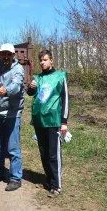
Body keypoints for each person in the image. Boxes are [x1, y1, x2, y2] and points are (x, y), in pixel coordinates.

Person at [26, 49, 69, 198]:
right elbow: (31, 94)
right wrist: (30, 88)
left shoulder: (60, 76)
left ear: (52, 60)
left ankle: (57, 185)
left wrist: (64, 122)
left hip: (53, 121)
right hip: (39, 121)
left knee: (53, 154)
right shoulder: (37, 77)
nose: (43, 62)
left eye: (45, 60)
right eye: (41, 60)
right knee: (43, 153)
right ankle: (49, 181)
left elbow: (65, 99)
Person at [0, 43, 24, 191]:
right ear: (0, 54)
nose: (6, 57)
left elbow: (16, 86)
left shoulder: (18, 69)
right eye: (3, 54)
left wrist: (6, 89)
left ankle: (15, 178)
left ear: (13, 55)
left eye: (9, 54)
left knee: (12, 148)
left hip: (12, 114)